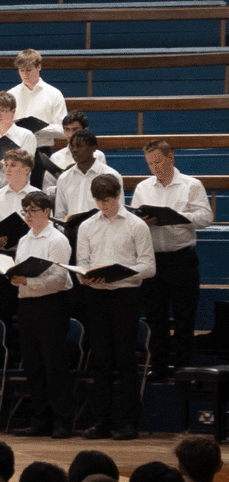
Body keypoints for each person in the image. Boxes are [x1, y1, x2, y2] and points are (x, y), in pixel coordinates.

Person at [74, 173, 155, 440]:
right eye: (99, 202)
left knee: (125, 359)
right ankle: (102, 421)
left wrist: (121, 273)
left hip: (125, 298)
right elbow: (81, 264)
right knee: (101, 360)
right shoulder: (87, 226)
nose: (104, 207)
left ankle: (129, 423)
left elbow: (149, 267)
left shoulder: (136, 225)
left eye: (108, 201)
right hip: (96, 297)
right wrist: (86, 275)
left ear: (119, 195)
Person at [132, 140, 213, 378]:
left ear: (171, 157)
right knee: (156, 319)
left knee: (183, 318)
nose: (154, 167)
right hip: (153, 260)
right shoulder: (143, 188)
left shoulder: (191, 185)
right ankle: (158, 368)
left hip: (181, 259)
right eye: (149, 163)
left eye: (158, 161)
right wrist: (142, 220)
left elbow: (206, 217)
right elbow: (134, 220)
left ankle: (182, 370)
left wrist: (178, 217)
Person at [10, 192, 75, 439]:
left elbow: (58, 279)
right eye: (25, 211)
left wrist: (27, 281)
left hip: (51, 305)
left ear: (47, 212)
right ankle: (40, 420)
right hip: (27, 305)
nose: (27, 215)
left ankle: (62, 421)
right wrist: (18, 279)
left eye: (33, 211)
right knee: (34, 366)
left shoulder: (57, 239)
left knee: (54, 365)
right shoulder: (25, 239)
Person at [5, 49, 68, 147]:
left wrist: (37, 129)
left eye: (29, 70)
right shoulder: (11, 94)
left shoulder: (53, 94)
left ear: (39, 67)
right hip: (16, 150)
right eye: (21, 70)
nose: (25, 74)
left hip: (41, 149)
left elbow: (64, 130)